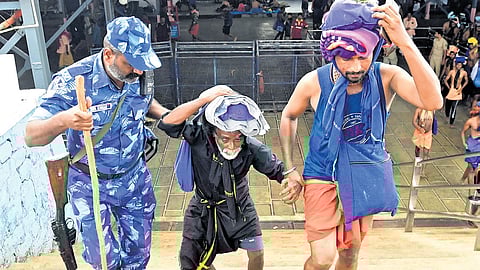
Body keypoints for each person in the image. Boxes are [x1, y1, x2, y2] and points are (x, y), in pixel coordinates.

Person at [279, 1, 443, 269]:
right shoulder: (314, 82)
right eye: (347, 57)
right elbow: (288, 115)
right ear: (332, 52)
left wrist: (403, 39)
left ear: (376, 49)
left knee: (349, 253)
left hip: (365, 173)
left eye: (363, 56)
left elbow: (433, 100)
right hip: (322, 173)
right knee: (322, 259)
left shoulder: (386, 77)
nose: (355, 66)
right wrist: (290, 169)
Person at [24, 17, 167, 269]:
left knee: (138, 256)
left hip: (134, 179)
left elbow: (143, 102)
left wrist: (167, 116)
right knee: (104, 259)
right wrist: (65, 120)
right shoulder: (73, 81)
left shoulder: (139, 73)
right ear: (109, 54)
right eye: (131, 63)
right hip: (90, 184)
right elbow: (31, 135)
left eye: (142, 63)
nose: (140, 71)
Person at [157, 90, 298, 270]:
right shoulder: (198, 136)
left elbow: (278, 169)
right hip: (203, 209)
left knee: (257, 252)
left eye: (237, 139)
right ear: (213, 133)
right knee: (191, 260)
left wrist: (290, 180)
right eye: (225, 139)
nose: (232, 145)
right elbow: (168, 123)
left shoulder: (250, 146)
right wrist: (204, 99)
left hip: (239, 207)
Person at [444, 56, 468, 128]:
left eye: (460, 65)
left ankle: (451, 122)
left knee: (454, 107)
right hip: (451, 90)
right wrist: (448, 87)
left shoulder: (464, 73)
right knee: (448, 105)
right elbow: (446, 79)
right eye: (458, 65)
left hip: (458, 91)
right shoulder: (452, 72)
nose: (459, 66)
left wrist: (462, 88)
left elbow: (466, 81)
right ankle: (447, 115)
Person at [460, 107, 480, 185]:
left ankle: (463, 179)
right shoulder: (471, 121)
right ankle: (471, 189)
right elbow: (462, 132)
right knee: (471, 167)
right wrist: (464, 143)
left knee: (473, 167)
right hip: (472, 146)